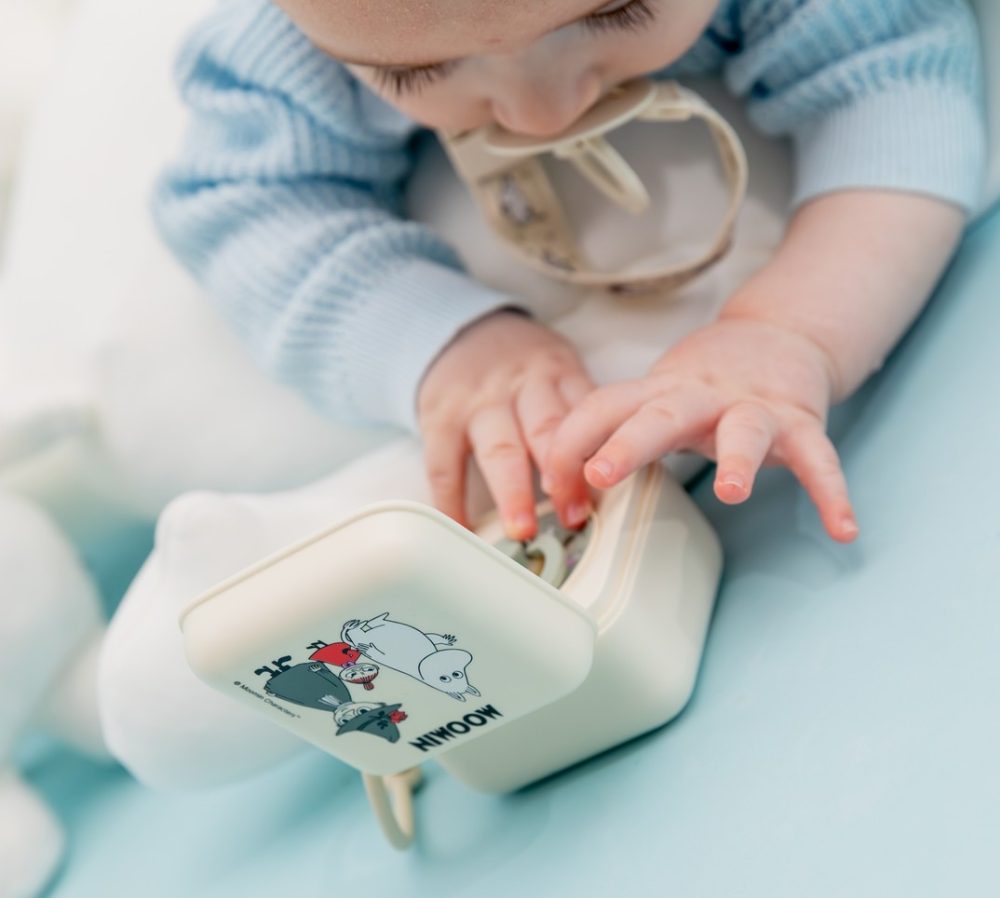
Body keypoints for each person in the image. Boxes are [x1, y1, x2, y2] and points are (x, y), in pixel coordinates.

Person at [154, 0, 986, 544]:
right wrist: (444, 344)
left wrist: (789, 328)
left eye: (617, 12)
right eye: (417, 73)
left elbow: (896, 86)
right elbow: (247, 208)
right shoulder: (287, 53)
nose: (541, 112)